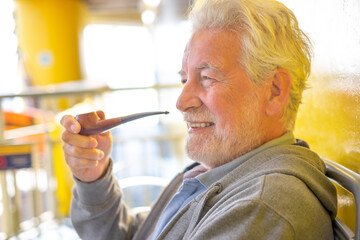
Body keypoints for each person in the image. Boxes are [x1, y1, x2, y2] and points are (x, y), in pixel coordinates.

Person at [60, 0, 337, 239]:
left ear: (275, 91)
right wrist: (94, 178)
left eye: (207, 78)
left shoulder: (264, 207)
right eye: (184, 79)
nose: (181, 102)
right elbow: (136, 235)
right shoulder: (213, 172)